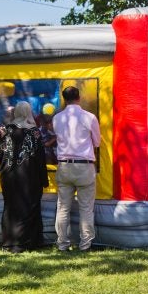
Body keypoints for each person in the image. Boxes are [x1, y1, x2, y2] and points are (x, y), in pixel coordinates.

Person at [0, 101, 49, 253]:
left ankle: (9, 243)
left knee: (10, 208)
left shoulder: (4, 131)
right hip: (30, 177)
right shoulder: (34, 132)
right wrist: (44, 179)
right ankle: (27, 242)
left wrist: (4, 172)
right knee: (29, 208)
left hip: (8, 176)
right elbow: (40, 158)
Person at [53, 86, 101, 252]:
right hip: (84, 166)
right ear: (79, 97)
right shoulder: (89, 117)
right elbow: (97, 143)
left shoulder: (57, 118)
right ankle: (85, 245)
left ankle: (62, 244)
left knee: (63, 207)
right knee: (86, 208)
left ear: (64, 99)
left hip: (64, 165)